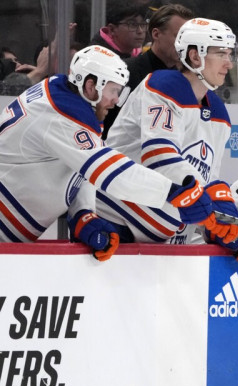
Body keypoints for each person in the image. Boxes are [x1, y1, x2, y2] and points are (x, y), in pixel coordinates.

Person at [0, 45, 222, 260]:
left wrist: (83, 213)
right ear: (90, 85)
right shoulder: (61, 117)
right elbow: (111, 173)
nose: (116, 101)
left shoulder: (66, 96)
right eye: (113, 90)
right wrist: (172, 192)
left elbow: (82, 168)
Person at [94, 19, 238, 263]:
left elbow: (205, 181)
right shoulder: (163, 85)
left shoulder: (220, 113)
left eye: (231, 54)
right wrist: (213, 197)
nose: (229, 63)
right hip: (115, 225)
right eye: (221, 53)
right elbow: (160, 158)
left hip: (167, 240)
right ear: (195, 56)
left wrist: (218, 226)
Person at [102, 4, 195, 139]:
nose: (184, 44)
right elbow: (105, 126)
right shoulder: (123, 73)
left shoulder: (188, 80)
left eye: (189, 39)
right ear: (156, 34)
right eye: (179, 37)